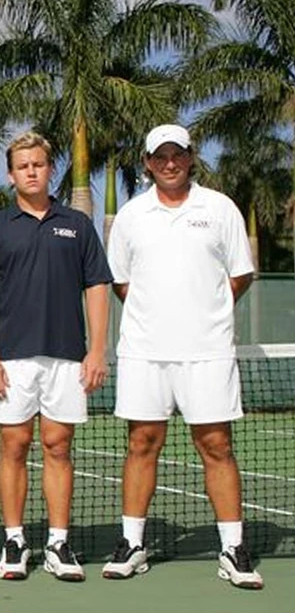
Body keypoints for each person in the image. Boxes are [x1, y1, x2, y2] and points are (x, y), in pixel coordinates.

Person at [102, 124, 262, 589]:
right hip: (144, 354)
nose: (169, 163)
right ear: (148, 163)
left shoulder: (219, 209)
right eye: (160, 156)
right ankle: (133, 544)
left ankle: (233, 549)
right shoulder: (132, 215)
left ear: (191, 157)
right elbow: (121, 283)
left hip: (208, 353)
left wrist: (206, 311)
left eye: (178, 154)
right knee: (141, 444)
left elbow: (240, 274)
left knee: (217, 447)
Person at [0, 131, 111, 582]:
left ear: (50, 169)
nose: (31, 171)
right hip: (11, 359)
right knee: (13, 446)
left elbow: (96, 287)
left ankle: (58, 542)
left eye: (38, 164)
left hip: (67, 358)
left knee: (58, 446)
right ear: (11, 174)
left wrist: (96, 349)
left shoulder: (77, 224)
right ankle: (14, 541)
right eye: (22, 165)